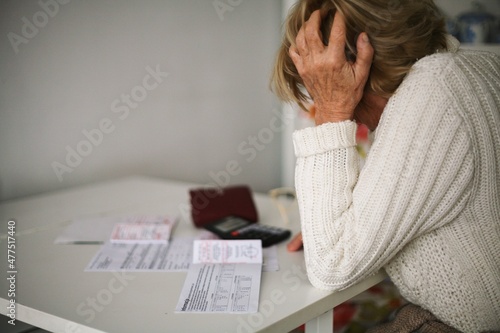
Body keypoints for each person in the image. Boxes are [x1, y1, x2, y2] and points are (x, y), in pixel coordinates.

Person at [270, 0, 500, 332]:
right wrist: (341, 225)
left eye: (320, 85)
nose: (319, 99)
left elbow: (331, 266)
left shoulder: (434, 90)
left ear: (355, 67)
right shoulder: (472, 68)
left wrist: (333, 111)